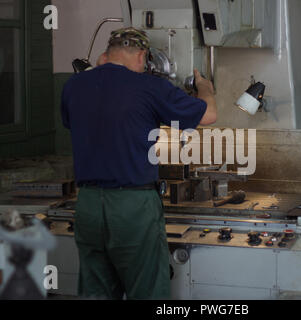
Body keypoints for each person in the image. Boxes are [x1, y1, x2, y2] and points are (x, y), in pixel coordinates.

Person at [61, 27, 217, 300]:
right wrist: (205, 87)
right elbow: (209, 115)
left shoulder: (74, 86)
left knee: (95, 292)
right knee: (146, 291)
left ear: (107, 54)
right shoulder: (150, 86)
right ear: (143, 55)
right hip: (131, 208)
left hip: (87, 206)